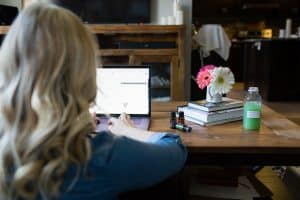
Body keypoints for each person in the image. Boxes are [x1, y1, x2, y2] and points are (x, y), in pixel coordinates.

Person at [0, 2, 187, 200]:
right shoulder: (102, 155)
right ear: (83, 72)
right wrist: (128, 131)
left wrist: (73, 124)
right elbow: (175, 149)